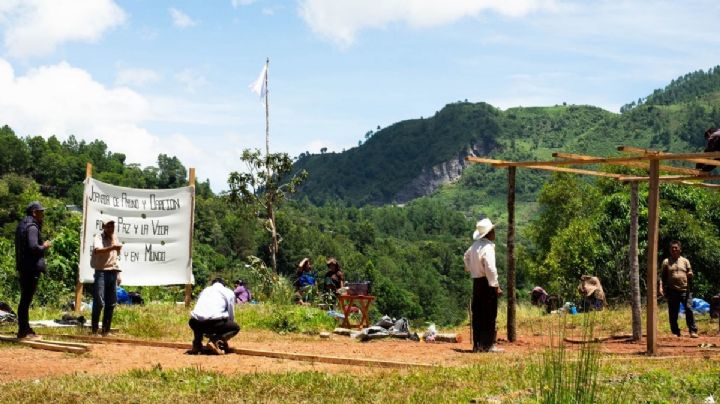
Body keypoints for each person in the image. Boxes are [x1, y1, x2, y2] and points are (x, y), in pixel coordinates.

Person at [464, 218, 503, 353]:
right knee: (489, 314)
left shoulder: (474, 246)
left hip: (477, 282)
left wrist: (471, 268)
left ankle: (478, 345)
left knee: (478, 314)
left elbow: (466, 257)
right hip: (486, 283)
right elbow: (491, 268)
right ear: (489, 233)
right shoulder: (488, 248)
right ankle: (487, 345)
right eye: (493, 230)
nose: (495, 232)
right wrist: (495, 285)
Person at [15, 201, 52, 339]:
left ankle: (25, 328)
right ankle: (24, 331)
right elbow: (33, 247)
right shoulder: (32, 227)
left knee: (25, 299)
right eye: (41, 212)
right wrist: (45, 246)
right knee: (25, 300)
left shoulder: (22, 224)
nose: (43, 214)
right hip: (30, 268)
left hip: (24, 267)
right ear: (34, 213)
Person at [186, 277, 240, 355]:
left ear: (212, 284)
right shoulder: (228, 292)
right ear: (223, 285)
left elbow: (199, 308)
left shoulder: (205, 290)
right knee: (235, 328)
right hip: (214, 323)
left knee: (198, 321)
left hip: (194, 322)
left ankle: (196, 345)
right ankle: (216, 340)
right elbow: (230, 313)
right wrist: (223, 336)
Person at [659, 240, 699, 338]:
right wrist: (661, 287)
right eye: (672, 248)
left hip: (686, 290)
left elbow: (690, 272)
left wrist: (690, 274)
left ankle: (693, 331)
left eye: (676, 248)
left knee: (689, 309)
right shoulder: (666, 261)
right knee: (673, 312)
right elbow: (662, 276)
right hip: (672, 290)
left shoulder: (685, 261)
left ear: (680, 249)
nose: (674, 249)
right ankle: (675, 332)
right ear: (670, 250)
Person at [90, 216, 122, 336]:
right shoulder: (98, 237)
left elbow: (115, 257)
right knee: (99, 302)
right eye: (108, 226)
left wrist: (118, 273)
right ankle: (94, 331)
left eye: (112, 225)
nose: (111, 228)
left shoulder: (115, 238)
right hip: (101, 272)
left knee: (111, 302)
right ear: (103, 227)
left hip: (112, 271)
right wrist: (113, 247)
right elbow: (98, 250)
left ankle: (106, 330)